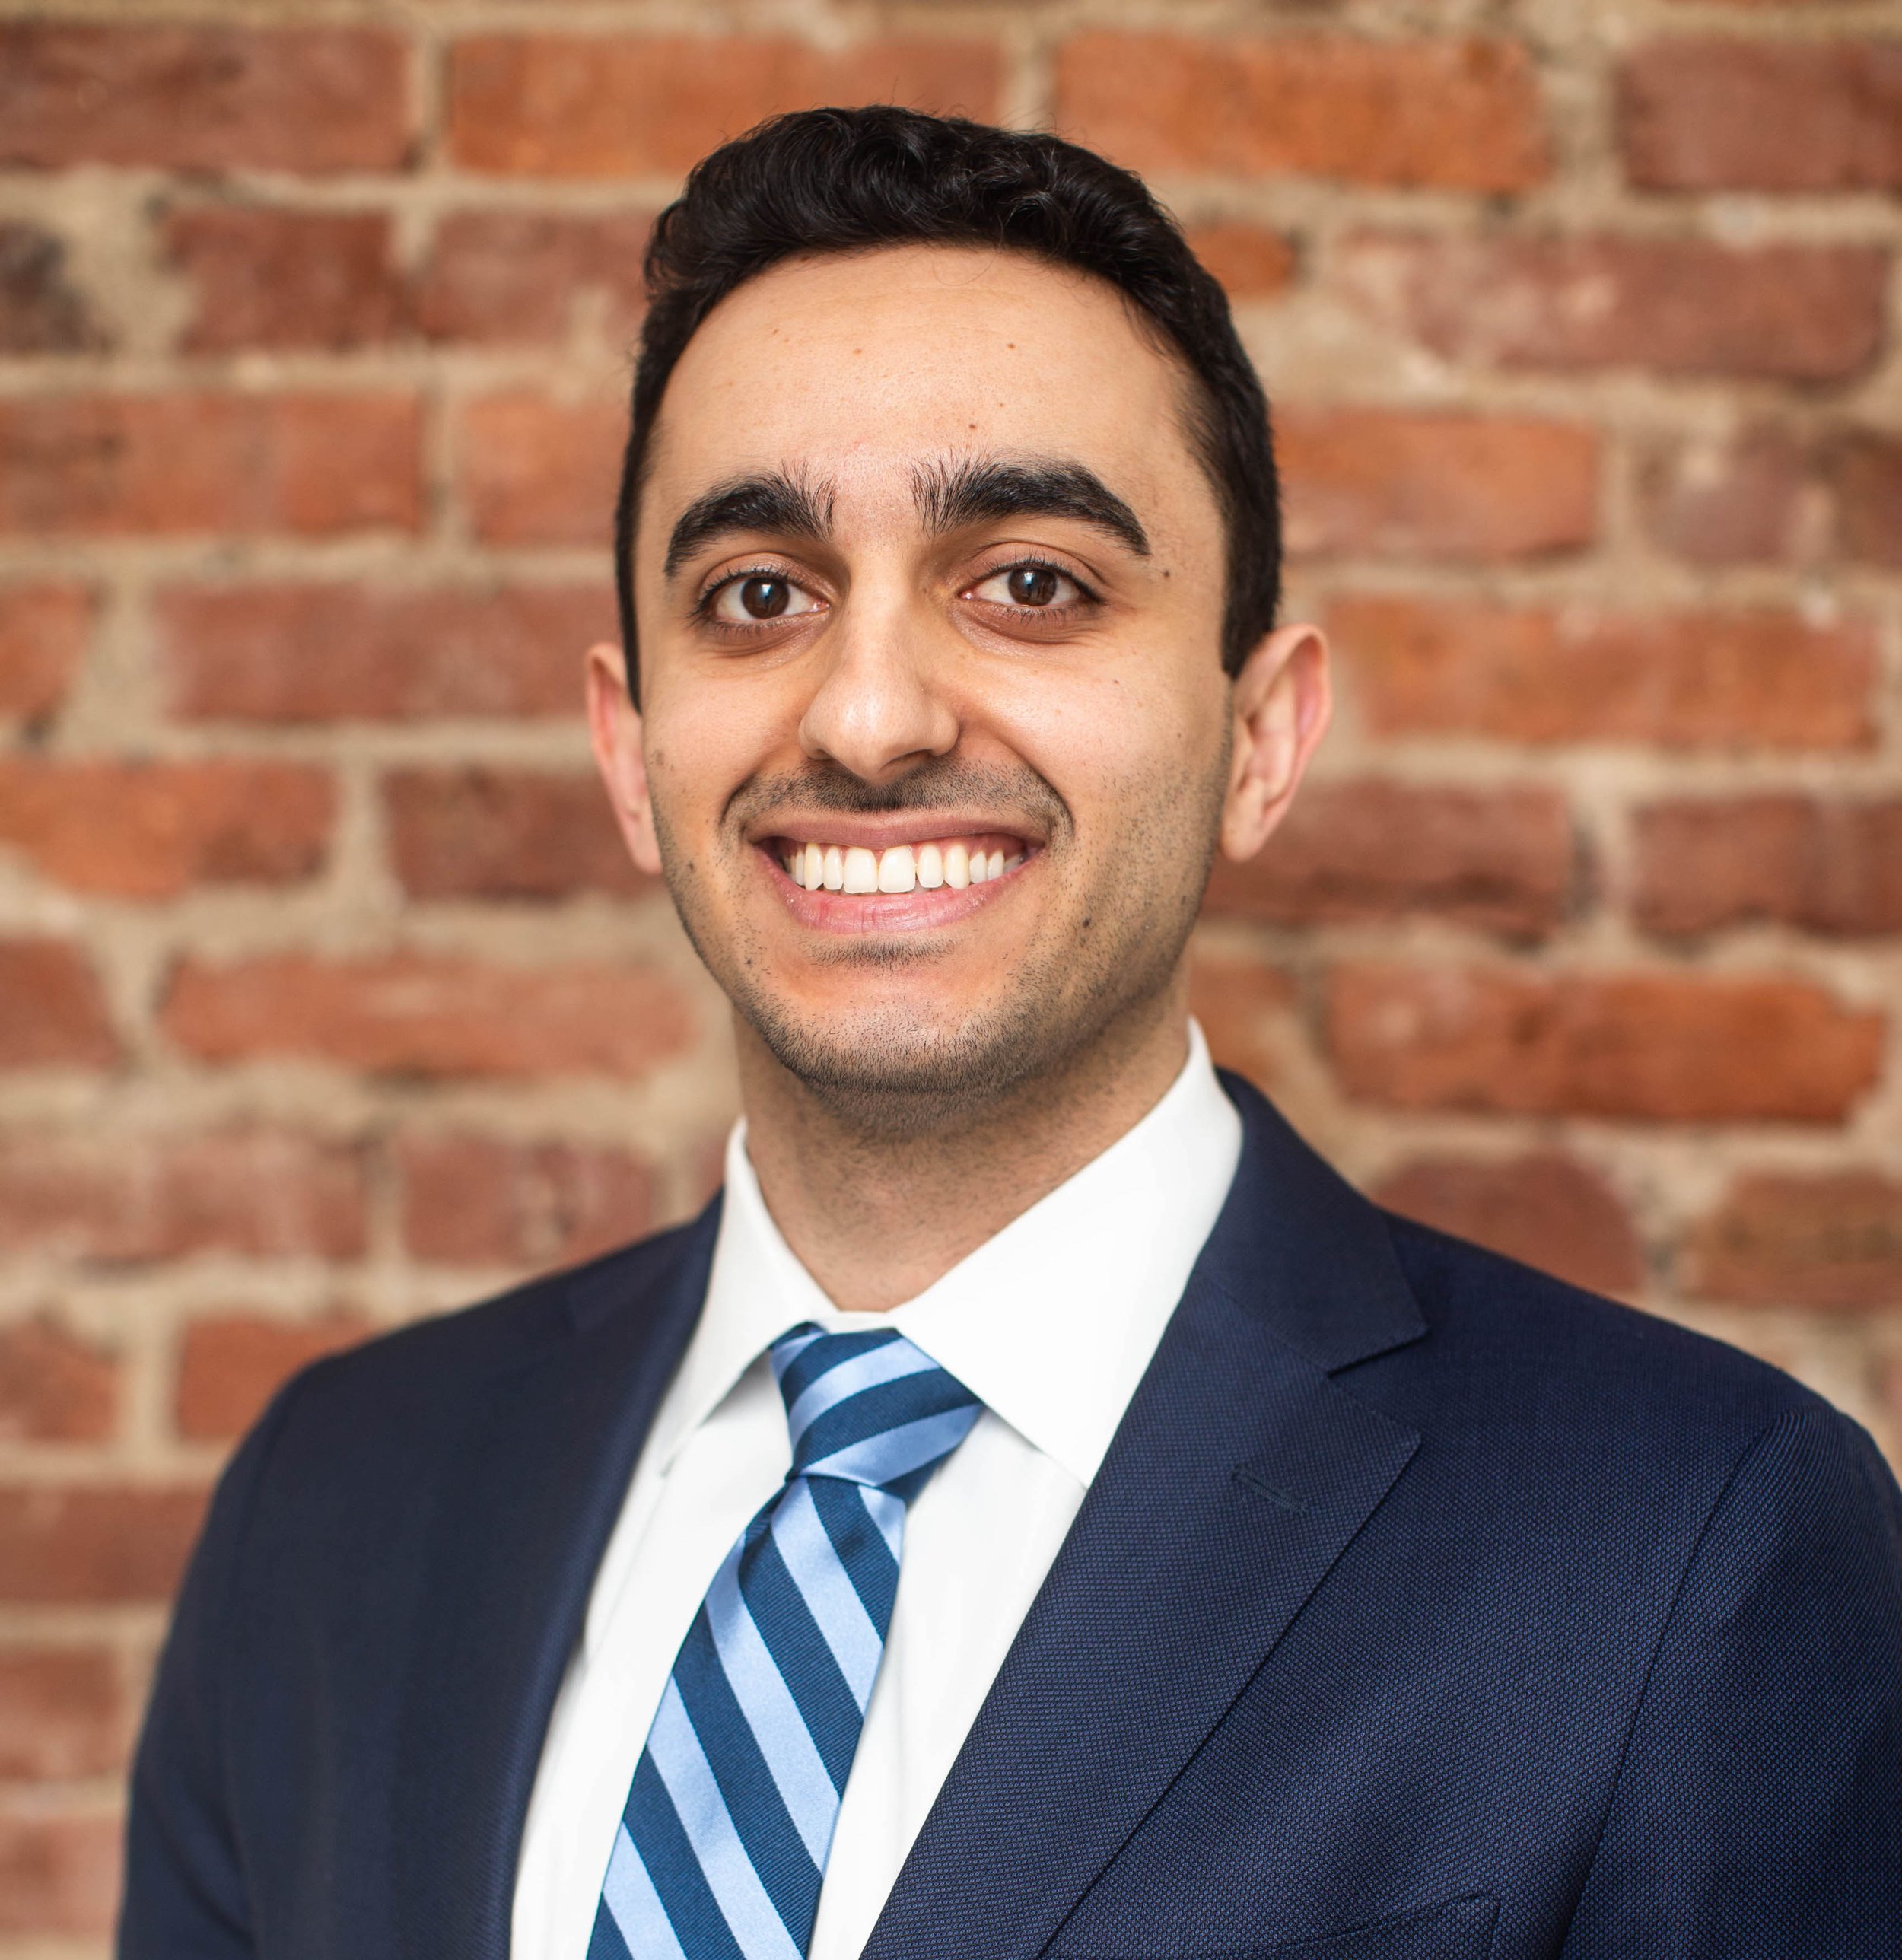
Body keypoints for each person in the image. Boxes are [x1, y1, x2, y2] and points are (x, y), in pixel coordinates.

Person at [121, 107, 1901, 1960]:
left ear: (1261, 738)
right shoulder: (334, 1505)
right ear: (628, 753)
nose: (870, 715)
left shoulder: (1684, 1543)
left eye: (1031, 583)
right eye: (756, 595)